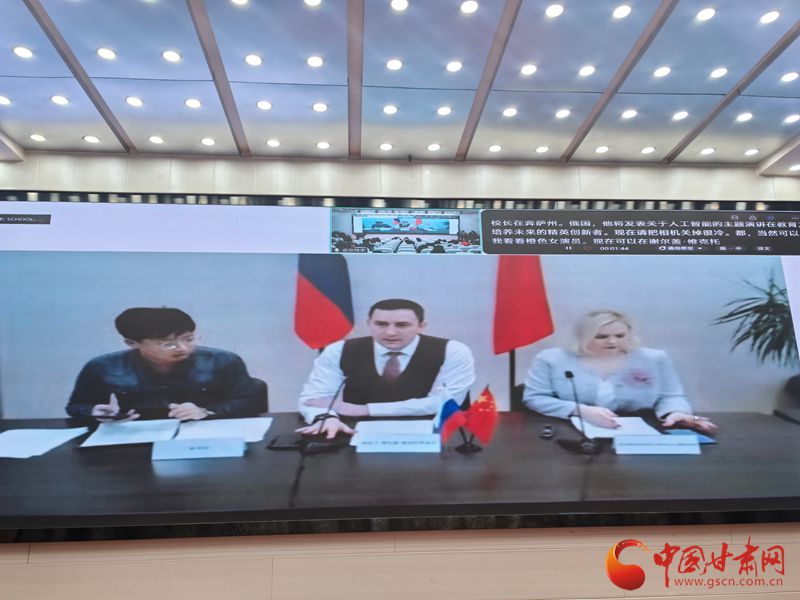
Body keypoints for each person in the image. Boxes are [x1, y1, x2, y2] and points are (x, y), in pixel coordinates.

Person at [297, 298, 475, 438]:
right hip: (353, 432)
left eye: (402, 325)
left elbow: (445, 403)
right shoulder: (338, 350)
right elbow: (314, 398)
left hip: (431, 432)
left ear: (421, 326)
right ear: (369, 323)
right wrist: (326, 418)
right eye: (381, 324)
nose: (390, 332)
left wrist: (365, 409)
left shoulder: (453, 350)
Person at [522, 310, 717, 433]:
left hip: (641, 431)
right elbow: (535, 398)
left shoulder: (654, 358)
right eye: (601, 336)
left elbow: (671, 396)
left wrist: (677, 413)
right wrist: (580, 410)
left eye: (620, 335)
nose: (612, 341)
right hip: (569, 430)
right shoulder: (551, 359)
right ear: (582, 336)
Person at [66, 307, 265, 422]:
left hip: (204, 431)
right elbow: (77, 406)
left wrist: (206, 411)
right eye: (168, 344)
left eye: (189, 339)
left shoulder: (223, 360)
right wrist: (93, 411)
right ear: (132, 343)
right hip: (139, 438)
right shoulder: (102, 366)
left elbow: (250, 400)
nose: (183, 348)